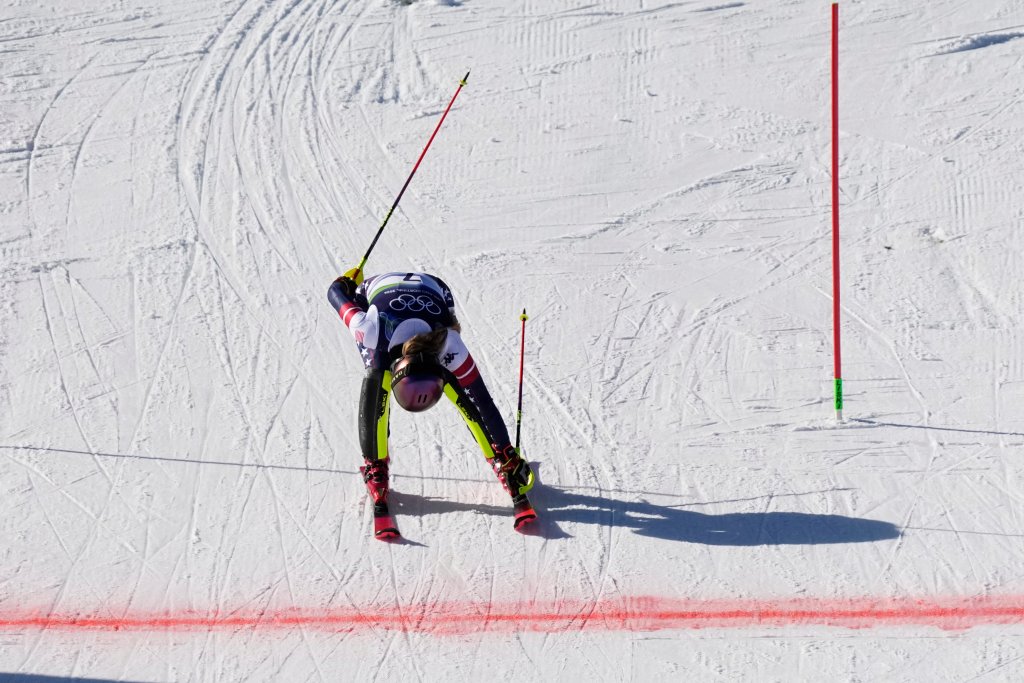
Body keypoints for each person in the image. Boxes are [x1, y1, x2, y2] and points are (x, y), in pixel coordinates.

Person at [328, 269, 535, 537]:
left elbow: (482, 400)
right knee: (378, 373)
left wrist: (507, 450)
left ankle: (499, 459)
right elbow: (336, 293)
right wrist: (349, 285)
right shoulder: (369, 329)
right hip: (377, 295)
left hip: (436, 289)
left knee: (455, 382)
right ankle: (375, 464)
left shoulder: (451, 345)